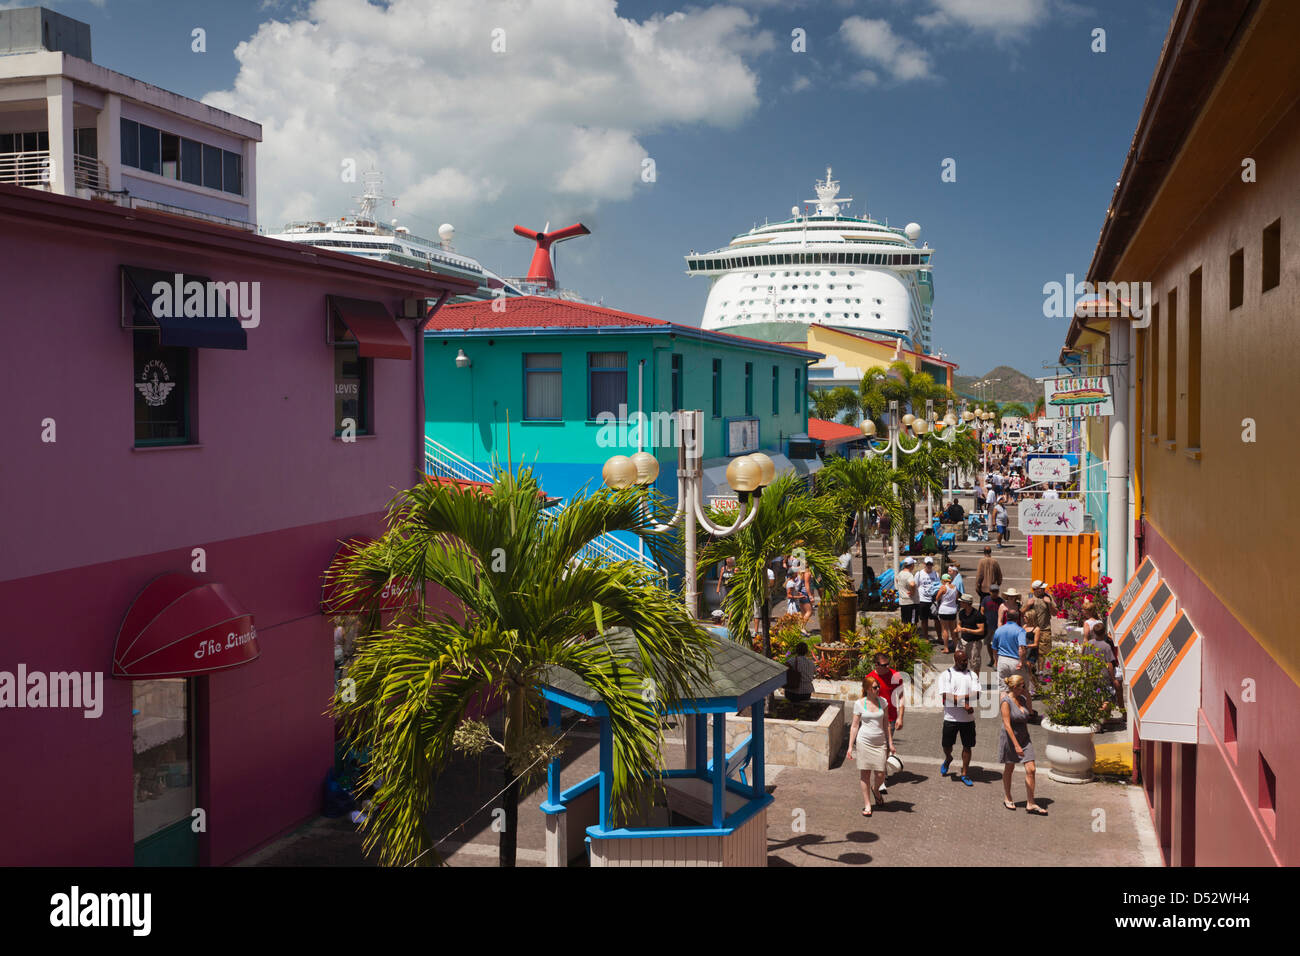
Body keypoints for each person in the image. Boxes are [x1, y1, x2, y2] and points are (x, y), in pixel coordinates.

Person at [847, 674, 895, 816]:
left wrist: (890, 743)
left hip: (880, 743)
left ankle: (876, 790)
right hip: (864, 742)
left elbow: (886, 724)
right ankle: (867, 805)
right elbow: (854, 726)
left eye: (878, 686)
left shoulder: (883, 702)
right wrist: (850, 747)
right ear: (867, 689)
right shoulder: (859, 704)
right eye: (875, 687)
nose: (878, 689)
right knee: (865, 774)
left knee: (880, 773)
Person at [998, 674, 1046, 814]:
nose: (1024, 688)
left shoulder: (1023, 699)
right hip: (1011, 738)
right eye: (1022, 686)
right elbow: (1007, 725)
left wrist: (1028, 696)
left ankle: (1031, 802)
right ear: (1014, 687)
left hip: (1024, 738)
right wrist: (1016, 745)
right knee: (1010, 767)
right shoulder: (1006, 701)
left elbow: (1030, 714)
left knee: (1031, 769)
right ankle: (1008, 796)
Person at [937, 648, 979, 786]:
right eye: (962, 661)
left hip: (968, 720)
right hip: (951, 718)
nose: (965, 663)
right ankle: (948, 758)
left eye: (966, 660)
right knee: (947, 745)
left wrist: (959, 698)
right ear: (955, 660)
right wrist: (965, 705)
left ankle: (965, 773)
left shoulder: (972, 675)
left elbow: (977, 694)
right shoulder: (946, 675)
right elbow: (946, 697)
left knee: (968, 746)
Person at [868, 652, 906, 800]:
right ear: (876, 665)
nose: (887, 667)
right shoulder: (870, 678)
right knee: (879, 749)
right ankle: (881, 777)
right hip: (874, 719)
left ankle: (881, 778)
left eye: (888, 663)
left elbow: (901, 697)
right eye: (884, 665)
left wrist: (901, 717)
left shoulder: (895, 676)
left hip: (890, 718)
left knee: (883, 748)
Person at [1023, 580, 1057, 680]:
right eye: (1042, 588)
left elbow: (1055, 613)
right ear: (1036, 589)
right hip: (1031, 630)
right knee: (1030, 651)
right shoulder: (1028, 597)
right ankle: (1030, 672)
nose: (1044, 590)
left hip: (1044, 629)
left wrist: (1049, 603)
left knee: (1042, 652)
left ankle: (1040, 672)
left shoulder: (1048, 597)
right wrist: (1028, 605)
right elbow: (1021, 612)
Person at [992, 609, 1030, 691]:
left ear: (1006, 616)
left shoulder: (999, 630)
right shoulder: (1020, 630)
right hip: (1015, 661)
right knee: (1021, 689)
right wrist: (1022, 662)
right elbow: (1022, 648)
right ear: (1017, 618)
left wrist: (996, 661)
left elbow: (994, 648)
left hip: (1002, 660)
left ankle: (1004, 703)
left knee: (1003, 689)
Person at [956, 593, 987, 673]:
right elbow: (959, 624)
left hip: (974, 643)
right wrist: (958, 628)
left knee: (974, 664)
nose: (960, 603)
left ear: (967, 603)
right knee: (959, 661)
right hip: (963, 641)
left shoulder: (977, 615)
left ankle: (975, 682)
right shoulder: (962, 613)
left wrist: (967, 630)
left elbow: (981, 631)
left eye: (962, 602)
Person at [916, 556, 941, 641]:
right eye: (927, 564)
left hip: (933, 600)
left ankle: (940, 637)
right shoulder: (919, 574)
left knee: (937, 620)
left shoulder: (936, 574)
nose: (929, 566)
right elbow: (916, 585)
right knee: (924, 620)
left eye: (930, 564)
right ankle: (926, 638)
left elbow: (938, 586)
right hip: (923, 600)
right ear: (924, 564)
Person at [935, 573, 959, 653]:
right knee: (953, 630)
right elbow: (957, 598)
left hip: (944, 610)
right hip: (953, 610)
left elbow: (937, 598)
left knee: (944, 630)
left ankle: (946, 648)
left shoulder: (943, 587)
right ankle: (956, 647)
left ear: (944, 580)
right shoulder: (955, 587)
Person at [897, 557, 919, 626]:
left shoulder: (900, 573)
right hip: (911, 602)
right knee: (912, 622)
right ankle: (912, 636)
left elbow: (896, 580)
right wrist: (912, 591)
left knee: (905, 622)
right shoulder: (909, 575)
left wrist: (903, 588)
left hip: (903, 602)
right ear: (911, 565)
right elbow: (912, 584)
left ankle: (905, 636)